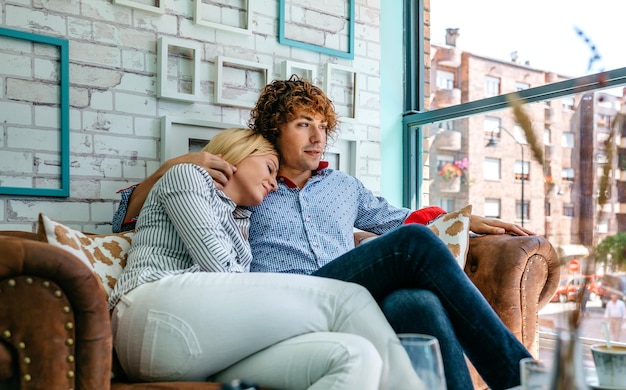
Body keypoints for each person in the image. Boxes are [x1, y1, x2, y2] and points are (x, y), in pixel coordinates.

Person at [113, 77, 534, 389]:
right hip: (273, 306)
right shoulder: (246, 186)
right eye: (303, 124)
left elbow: (397, 218)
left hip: (341, 292)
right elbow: (136, 217)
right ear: (273, 132)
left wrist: (458, 220)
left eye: (323, 126)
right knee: (416, 245)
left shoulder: (343, 187)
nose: (318, 137)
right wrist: (178, 165)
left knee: (416, 300)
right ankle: (521, 377)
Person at [109, 127, 423, 390]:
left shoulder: (240, 219)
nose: (273, 183)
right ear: (238, 153)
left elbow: (232, 295)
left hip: (207, 347)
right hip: (150, 312)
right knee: (348, 299)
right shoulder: (187, 176)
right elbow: (221, 272)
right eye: (270, 169)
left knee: (355, 355)